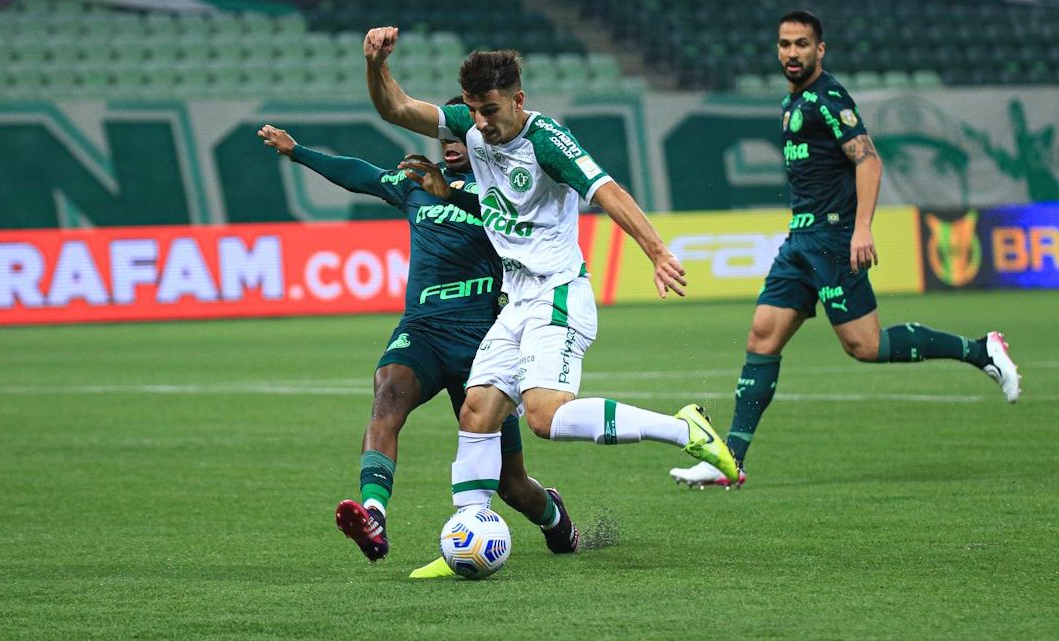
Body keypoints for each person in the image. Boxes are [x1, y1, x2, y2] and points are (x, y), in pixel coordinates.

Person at [362, 26, 740, 534]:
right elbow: (397, 108)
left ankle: (683, 428)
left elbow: (607, 191)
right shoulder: (472, 126)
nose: (478, 124)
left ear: (518, 100)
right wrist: (376, 64)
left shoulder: (547, 141)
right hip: (515, 302)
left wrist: (655, 250)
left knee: (543, 417)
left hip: (557, 293)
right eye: (472, 111)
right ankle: (465, 539)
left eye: (490, 110)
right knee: (476, 413)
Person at [670, 10, 1021, 489]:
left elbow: (869, 162)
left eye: (801, 44)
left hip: (834, 238)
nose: (791, 53)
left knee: (865, 346)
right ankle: (728, 460)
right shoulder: (793, 102)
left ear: (820, 50)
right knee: (762, 337)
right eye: (784, 44)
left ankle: (980, 350)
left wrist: (862, 229)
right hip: (799, 240)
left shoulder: (830, 98)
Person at [256, 108, 581, 578]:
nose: (449, 144)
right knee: (387, 397)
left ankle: (552, 514)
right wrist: (297, 152)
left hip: (486, 338)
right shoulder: (415, 185)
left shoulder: (504, 193)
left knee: (512, 486)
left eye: (460, 137)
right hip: (423, 329)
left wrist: (450, 193)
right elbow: (359, 175)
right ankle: (374, 516)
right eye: (443, 136)